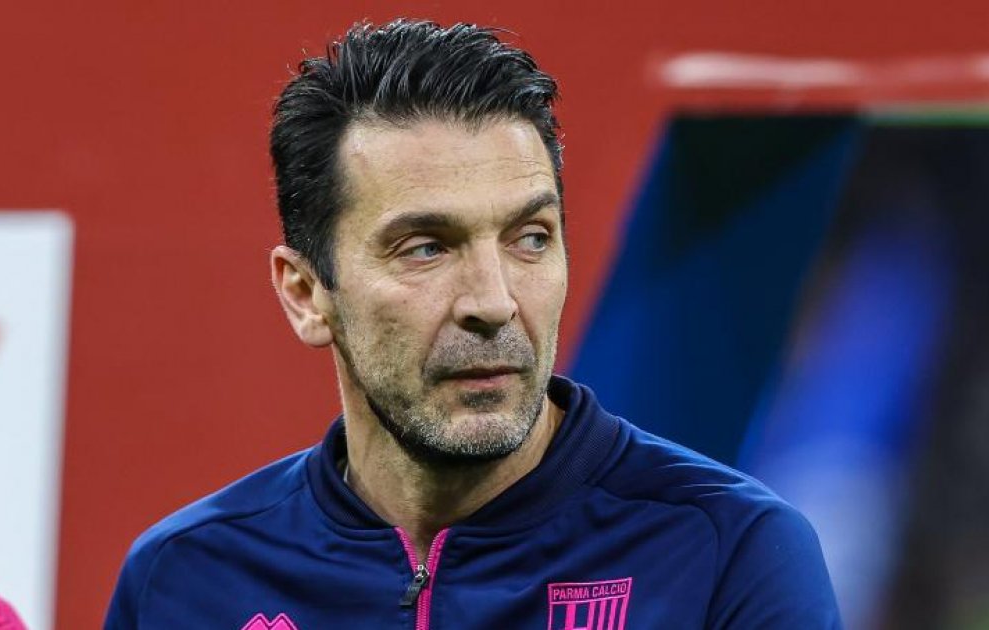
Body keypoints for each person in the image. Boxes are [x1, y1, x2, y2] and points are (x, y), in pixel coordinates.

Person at [105, 19, 841, 629]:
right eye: (425, 248)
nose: (493, 301)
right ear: (306, 294)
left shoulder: (727, 554)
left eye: (530, 238)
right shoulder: (185, 578)